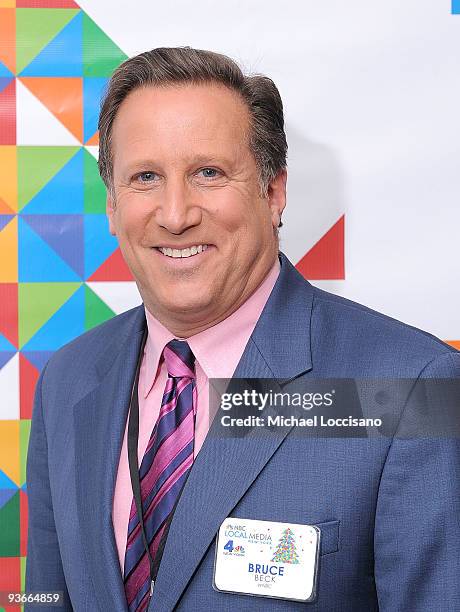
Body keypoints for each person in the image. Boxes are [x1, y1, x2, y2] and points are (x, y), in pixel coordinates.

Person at [25, 47, 460, 612]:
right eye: (145, 177)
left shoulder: (412, 389)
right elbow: (41, 596)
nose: (175, 213)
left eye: (208, 173)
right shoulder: (68, 379)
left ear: (273, 192)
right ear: (111, 204)